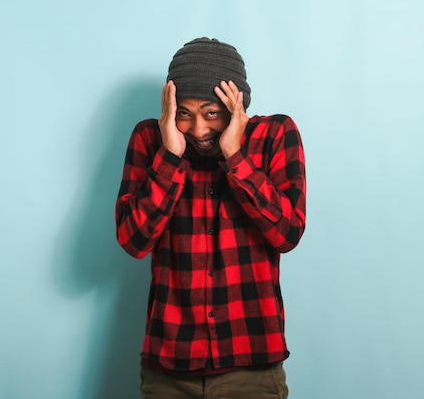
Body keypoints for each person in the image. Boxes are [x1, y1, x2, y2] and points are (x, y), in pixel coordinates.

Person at [115, 37, 307, 399]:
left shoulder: (275, 135)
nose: (199, 130)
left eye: (211, 113)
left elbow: (288, 233)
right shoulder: (150, 138)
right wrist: (170, 157)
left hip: (251, 366)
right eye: (184, 113)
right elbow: (132, 240)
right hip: (169, 369)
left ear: (236, 107)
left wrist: (235, 155)